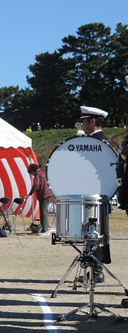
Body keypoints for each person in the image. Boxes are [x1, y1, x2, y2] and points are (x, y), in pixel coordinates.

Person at [79, 105, 111, 283]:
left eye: (84, 121)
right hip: (91, 195)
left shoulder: (99, 144)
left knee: (95, 234)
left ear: (92, 121)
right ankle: (94, 269)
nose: (82, 125)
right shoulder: (96, 142)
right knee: (90, 234)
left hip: (97, 195)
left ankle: (97, 270)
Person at [27, 164, 52, 235]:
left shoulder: (37, 174)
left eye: (31, 173)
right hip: (48, 194)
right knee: (44, 212)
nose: (32, 175)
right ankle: (45, 227)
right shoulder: (43, 173)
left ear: (32, 171)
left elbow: (36, 184)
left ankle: (45, 229)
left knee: (43, 213)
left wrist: (30, 193)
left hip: (43, 195)